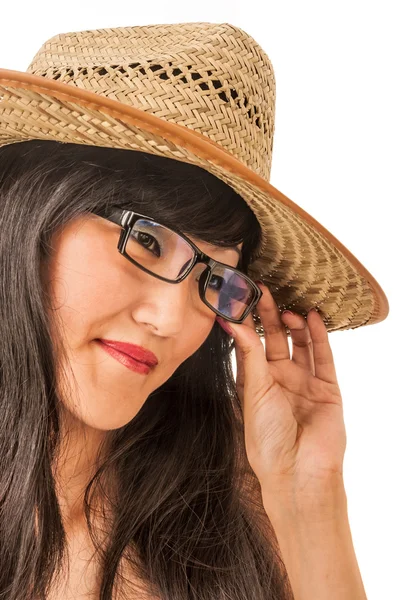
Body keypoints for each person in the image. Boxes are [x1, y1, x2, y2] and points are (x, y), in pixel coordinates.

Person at [0, 22, 388, 600]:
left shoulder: (239, 503)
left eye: (213, 277)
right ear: (28, 212)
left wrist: (309, 500)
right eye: (149, 242)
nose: (171, 320)